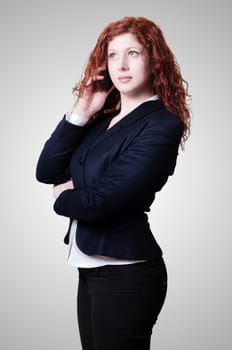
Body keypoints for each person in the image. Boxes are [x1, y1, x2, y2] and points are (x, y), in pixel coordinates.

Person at [36, 16, 191, 350]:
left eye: (133, 53)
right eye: (112, 55)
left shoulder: (161, 125)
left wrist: (61, 197)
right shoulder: (102, 120)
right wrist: (82, 109)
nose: (121, 64)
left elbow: (104, 202)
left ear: (154, 59)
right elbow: (47, 170)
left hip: (127, 276)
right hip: (91, 272)